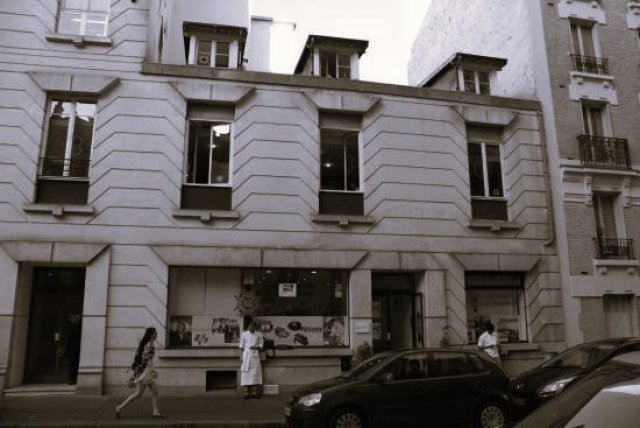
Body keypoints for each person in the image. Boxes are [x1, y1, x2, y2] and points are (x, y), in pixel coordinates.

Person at [115, 327, 165, 419]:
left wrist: (152, 371)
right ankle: (119, 407)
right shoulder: (150, 345)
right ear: (150, 335)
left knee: (152, 392)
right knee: (139, 394)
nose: (156, 335)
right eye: (154, 333)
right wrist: (135, 375)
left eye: (156, 333)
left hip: (147, 373)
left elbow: (146, 361)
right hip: (146, 374)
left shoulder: (147, 344)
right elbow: (145, 361)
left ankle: (155, 412)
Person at [239, 317, 264, 399]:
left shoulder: (259, 335)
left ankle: (254, 392)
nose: (251, 327)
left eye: (253, 326)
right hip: (246, 356)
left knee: (255, 374)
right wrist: (241, 357)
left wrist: (256, 347)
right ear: (248, 326)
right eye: (250, 326)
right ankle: (246, 392)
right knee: (245, 374)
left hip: (255, 356)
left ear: (255, 326)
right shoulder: (244, 335)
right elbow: (241, 346)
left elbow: (261, 346)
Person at [65, 314, 82, 385]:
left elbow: (69, 338)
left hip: (74, 348)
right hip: (75, 348)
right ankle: (72, 379)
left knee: (73, 364)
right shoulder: (76, 327)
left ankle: (72, 379)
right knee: (74, 364)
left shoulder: (72, 327)